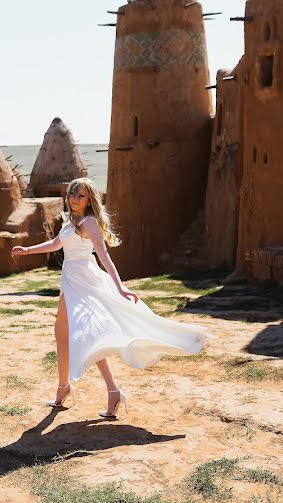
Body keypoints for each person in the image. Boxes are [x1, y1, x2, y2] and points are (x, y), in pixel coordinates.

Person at [11, 177, 206, 418]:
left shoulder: (89, 223)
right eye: (72, 194)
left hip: (84, 281)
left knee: (83, 335)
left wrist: (120, 287)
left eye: (80, 196)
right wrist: (28, 250)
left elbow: (105, 257)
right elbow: (56, 243)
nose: (74, 199)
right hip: (70, 280)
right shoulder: (71, 220)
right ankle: (80, 389)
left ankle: (78, 389)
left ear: (89, 199)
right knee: (64, 331)